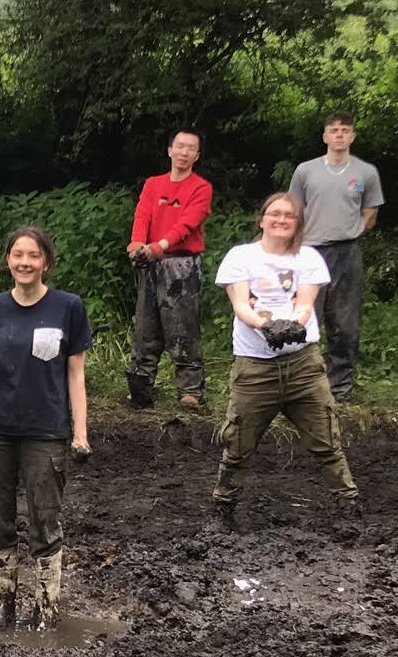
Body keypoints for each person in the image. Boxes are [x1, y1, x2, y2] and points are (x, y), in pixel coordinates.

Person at [0, 227, 92, 632]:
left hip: (46, 431)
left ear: (46, 262)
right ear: (8, 261)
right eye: (18, 255)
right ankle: (4, 604)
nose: (25, 263)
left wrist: (80, 433)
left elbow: (76, 377)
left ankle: (46, 608)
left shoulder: (68, 307)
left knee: (44, 520)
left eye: (33, 256)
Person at [211, 193, 360, 524]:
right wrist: (267, 325)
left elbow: (305, 304)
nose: (281, 219)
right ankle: (223, 510)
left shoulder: (309, 258)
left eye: (289, 216)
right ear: (262, 219)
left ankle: (349, 506)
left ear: (298, 224)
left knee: (327, 440)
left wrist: (293, 324)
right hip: (254, 368)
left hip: (303, 367)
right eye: (274, 214)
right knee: (237, 444)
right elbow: (240, 305)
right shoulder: (241, 257)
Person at [288, 110, 384, 401]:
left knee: (344, 322)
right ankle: (303, 384)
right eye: (334, 130)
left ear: (352, 136)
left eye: (345, 130)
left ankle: (339, 387)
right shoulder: (306, 170)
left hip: (347, 252)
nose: (339, 134)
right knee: (304, 318)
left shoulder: (366, 172)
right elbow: (293, 209)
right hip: (310, 251)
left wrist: (351, 231)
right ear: (325, 136)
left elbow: (371, 213)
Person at [124, 128, 213, 409]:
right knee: (145, 326)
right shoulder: (152, 184)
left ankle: (190, 391)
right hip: (148, 260)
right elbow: (142, 215)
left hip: (182, 265)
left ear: (197, 156)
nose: (184, 152)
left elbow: (187, 223)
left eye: (191, 149)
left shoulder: (201, 188)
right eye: (180, 147)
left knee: (183, 327)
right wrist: (137, 245)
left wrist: (159, 246)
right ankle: (140, 386)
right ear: (170, 150)